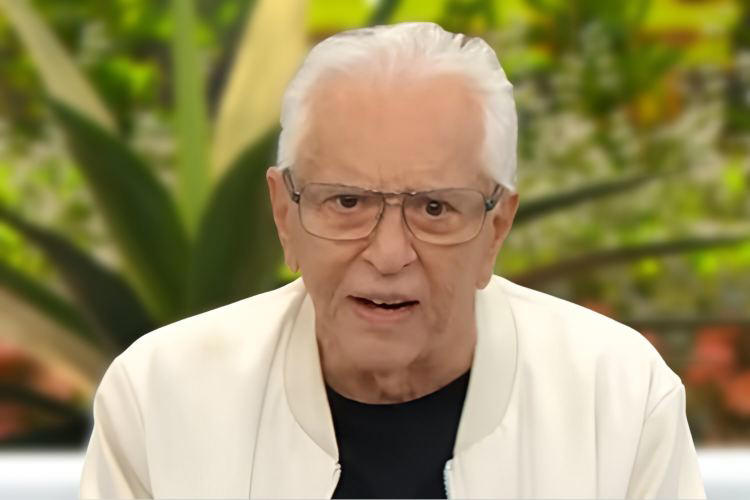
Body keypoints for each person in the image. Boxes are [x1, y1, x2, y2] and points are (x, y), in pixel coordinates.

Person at [79, 22, 706, 499]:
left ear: (496, 228)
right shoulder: (160, 397)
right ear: (284, 215)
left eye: (435, 208)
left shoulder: (618, 398)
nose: (387, 254)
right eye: (347, 202)